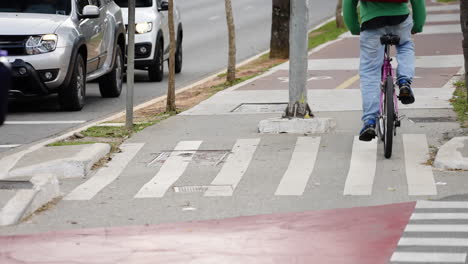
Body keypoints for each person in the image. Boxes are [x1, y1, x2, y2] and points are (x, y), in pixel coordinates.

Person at [343, 0, 426, 141]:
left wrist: (354, 28)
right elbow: (418, 2)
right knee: (405, 46)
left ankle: (369, 122)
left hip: (371, 23)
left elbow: (348, 3)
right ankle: (404, 81)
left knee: (370, 71)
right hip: (400, 19)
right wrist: (418, 24)